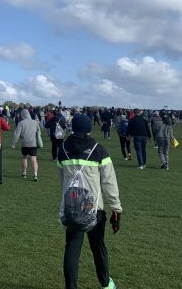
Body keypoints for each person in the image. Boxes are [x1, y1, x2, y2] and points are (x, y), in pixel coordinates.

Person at [58, 114, 121, 289]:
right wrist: (116, 208)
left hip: (72, 207)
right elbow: (109, 182)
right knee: (98, 246)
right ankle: (105, 283)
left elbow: (62, 180)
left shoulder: (62, 149)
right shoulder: (98, 149)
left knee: (72, 249)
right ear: (89, 130)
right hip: (94, 208)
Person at [11, 108, 43, 181]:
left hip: (25, 144)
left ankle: (24, 172)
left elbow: (16, 134)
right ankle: (35, 174)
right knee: (33, 159)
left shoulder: (21, 123)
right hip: (33, 144)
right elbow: (39, 133)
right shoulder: (35, 122)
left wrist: (13, 143)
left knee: (24, 158)